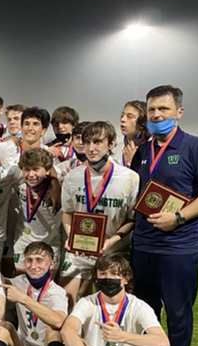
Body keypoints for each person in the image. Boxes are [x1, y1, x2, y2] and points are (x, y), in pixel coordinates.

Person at [129, 85, 198, 346]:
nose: (157, 115)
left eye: (164, 110)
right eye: (152, 110)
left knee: (178, 308)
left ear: (178, 112)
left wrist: (180, 217)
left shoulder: (197, 147)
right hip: (142, 244)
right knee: (145, 307)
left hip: (179, 246)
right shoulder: (142, 150)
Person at [59, 121, 138, 307]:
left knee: (112, 307)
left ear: (111, 144)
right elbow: (67, 213)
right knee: (64, 303)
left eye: (97, 142)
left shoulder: (129, 178)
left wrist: (111, 241)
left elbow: (132, 219)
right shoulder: (73, 177)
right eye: (87, 142)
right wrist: (72, 237)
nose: (91, 148)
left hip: (114, 250)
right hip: (79, 250)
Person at [12, 148, 63, 272]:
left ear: (47, 171)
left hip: (50, 242)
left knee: (46, 285)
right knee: (22, 283)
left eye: (36, 169)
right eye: (27, 170)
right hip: (23, 240)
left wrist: (56, 183)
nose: (31, 175)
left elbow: (55, 173)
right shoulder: (17, 181)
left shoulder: (60, 185)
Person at [114, 100, 149, 167]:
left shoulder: (151, 149)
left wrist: (133, 162)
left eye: (129, 116)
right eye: (122, 115)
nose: (122, 119)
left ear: (142, 121)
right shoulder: (115, 151)